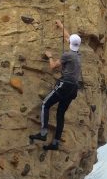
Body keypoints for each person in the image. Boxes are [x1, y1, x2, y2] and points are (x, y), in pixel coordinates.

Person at [29, 20, 82, 150]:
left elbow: (53, 67)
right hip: (74, 89)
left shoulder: (67, 55)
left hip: (65, 86)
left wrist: (49, 56)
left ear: (70, 44)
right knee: (60, 114)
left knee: (45, 105)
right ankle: (55, 143)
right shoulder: (78, 55)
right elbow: (69, 38)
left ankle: (43, 133)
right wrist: (61, 26)